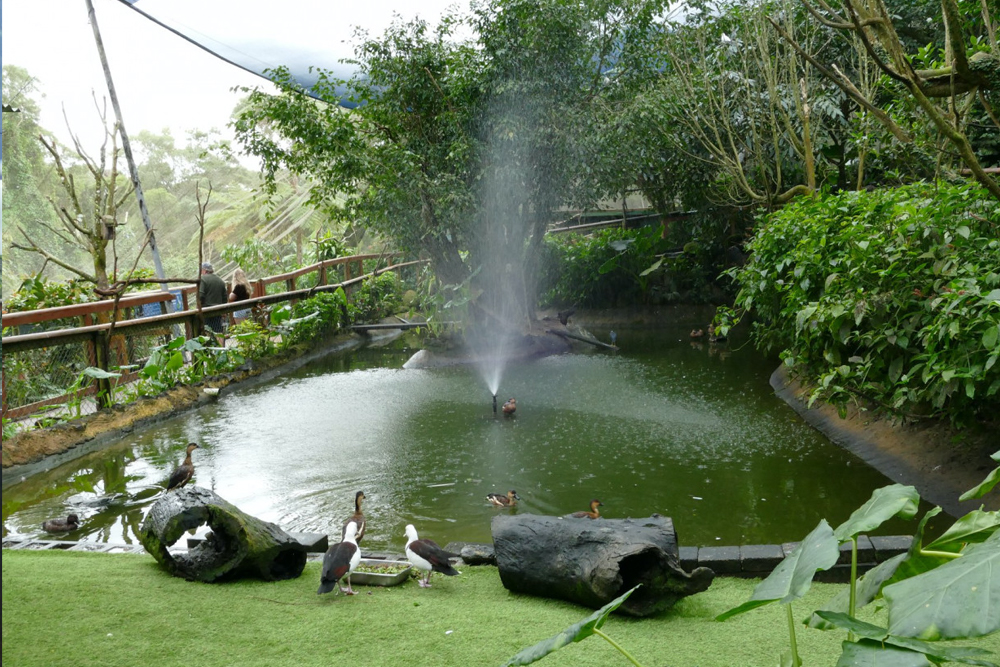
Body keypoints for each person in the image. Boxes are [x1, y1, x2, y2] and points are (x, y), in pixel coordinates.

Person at [198, 262, 228, 334]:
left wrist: (199, 306)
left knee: (207, 332)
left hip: (206, 311)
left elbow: (200, 295)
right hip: (218, 311)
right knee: (218, 331)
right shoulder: (220, 280)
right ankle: (220, 345)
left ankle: (210, 345)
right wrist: (223, 311)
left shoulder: (202, 279)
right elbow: (224, 298)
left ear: (204, 270)